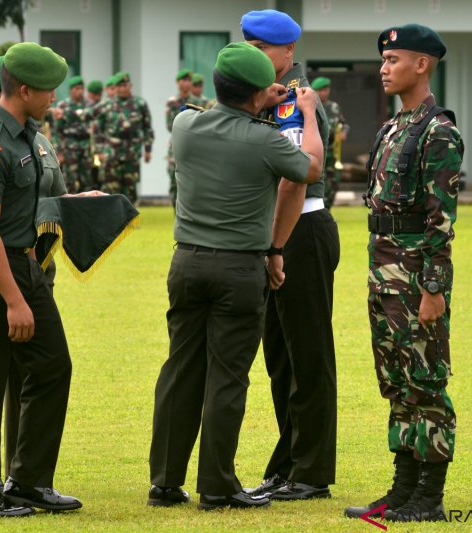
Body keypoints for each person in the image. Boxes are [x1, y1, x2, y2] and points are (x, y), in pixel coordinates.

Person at [147, 42, 324, 511]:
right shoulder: (264, 140)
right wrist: (305, 113)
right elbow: (310, 167)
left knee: (180, 370)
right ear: (255, 96)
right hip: (238, 268)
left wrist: (249, 99)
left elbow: (214, 112)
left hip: (185, 262)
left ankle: (165, 481)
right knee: (227, 376)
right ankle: (218, 484)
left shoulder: (185, 124)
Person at [0, 42, 82, 517]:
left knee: (53, 366)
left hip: (26, 264)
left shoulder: (29, 133)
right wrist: (13, 300)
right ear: (24, 89)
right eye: (49, 89)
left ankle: (27, 480)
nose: (55, 97)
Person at [345, 24, 463, 523]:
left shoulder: (439, 131)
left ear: (423, 64)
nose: (384, 67)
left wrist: (434, 289)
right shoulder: (393, 128)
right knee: (396, 382)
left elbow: (442, 219)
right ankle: (401, 490)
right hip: (383, 274)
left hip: (416, 278)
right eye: (383, 59)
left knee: (426, 382)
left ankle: (429, 498)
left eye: (394, 59)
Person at [242, 9, 341, 502]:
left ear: (287, 52)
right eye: (249, 47)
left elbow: (293, 177)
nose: (256, 56)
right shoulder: (265, 98)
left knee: (307, 354)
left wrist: (275, 245)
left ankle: (311, 472)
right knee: (280, 359)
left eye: (263, 49)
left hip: (299, 231)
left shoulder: (293, 103)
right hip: (275, 233)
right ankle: (288, 464)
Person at [94, 71, 153, 203]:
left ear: (130, 86)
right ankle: (111, 222)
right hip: (111, 153)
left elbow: (147, 128)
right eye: (119, 86)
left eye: (124, 85)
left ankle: (129, 221)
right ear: (115, 88)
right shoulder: (106, 105)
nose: (122, 89)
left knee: (130, 189)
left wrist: (148, 149)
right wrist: (99, 150)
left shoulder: (140, 104)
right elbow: (97, 128)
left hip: (132, 153)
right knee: (110, 189)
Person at [311, 77, 349, 209]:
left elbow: (343, 124)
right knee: (316, 182)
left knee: (333, 182)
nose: (323, 93)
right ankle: (318, 210)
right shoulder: (311, 106)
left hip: (333, 152)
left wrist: (343, 132)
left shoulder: (334, 107)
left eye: (325, 90)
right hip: (317, 152)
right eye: (320, 90)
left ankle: (327, 209)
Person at [164, 68, 197, 207]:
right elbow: (169, 125)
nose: (187, 83)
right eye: (184, 80)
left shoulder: (200, 101)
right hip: (176, 146)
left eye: (189, 80)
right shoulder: (172, 102)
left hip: (196, 147)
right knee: (174, 183)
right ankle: (177, 214)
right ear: (178, 82)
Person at [54, 75, 92, 192]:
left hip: (86, 145)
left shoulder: (89, 104)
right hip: (70, 147)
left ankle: (87, 205)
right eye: (76, 88)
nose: (79, 91)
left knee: (87, 179)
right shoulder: (63, 105)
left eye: (81, 88)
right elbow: (57, 131)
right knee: (70, 179)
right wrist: (59, 151)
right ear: (71, 90)